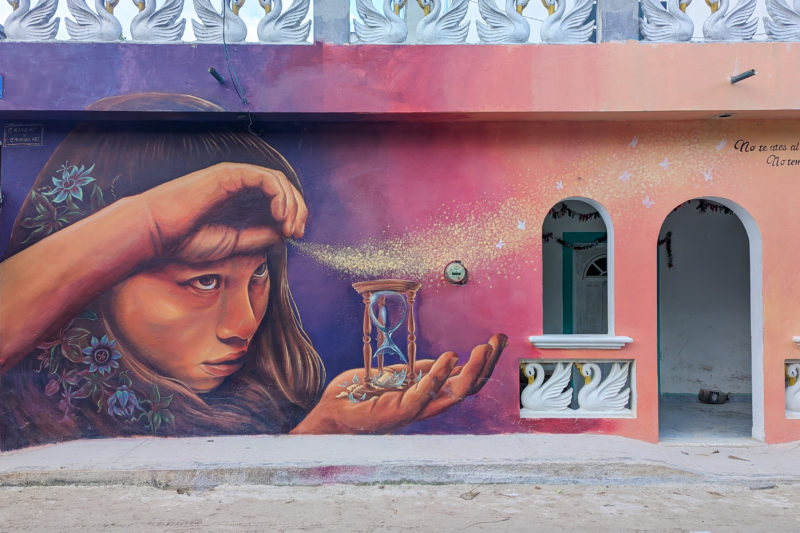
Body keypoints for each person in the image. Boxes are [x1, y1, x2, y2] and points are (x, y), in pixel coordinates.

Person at [0, 93, 505, 450]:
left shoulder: (256, 408)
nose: (242, 326)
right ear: (98, 278)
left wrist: (325, 427)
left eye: (258, 275)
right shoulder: (26, 418)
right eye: (203, 280)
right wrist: (148, 222)